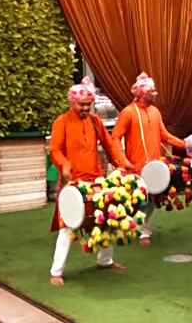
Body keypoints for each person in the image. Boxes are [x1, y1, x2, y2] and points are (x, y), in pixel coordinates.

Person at [49, 80, 133, 287]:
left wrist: (122, 164)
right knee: (67, 226)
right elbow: (55, 150)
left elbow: (110, 146)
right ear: (72, 102)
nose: (86, 108)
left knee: (106, 218)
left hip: (96, 180)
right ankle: (56, 271)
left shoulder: (95, 121)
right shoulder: (61, 122)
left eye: (88, 104)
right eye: (81, 105)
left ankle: (105, 261)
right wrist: (65, 165)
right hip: (73, 184)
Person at [112, 72, 188, 246]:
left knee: (151, 200)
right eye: (152, 90)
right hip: (135, 167)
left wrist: (181, 143)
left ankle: (142, 230)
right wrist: (122, 161)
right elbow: (115, 137)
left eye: (155, 90)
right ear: (141, 93)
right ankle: (135, 228)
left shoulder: (155, 111)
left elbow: (163, 134)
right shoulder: (128, 112)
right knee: (139, 200)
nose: (156, 93)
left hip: (154, 166)